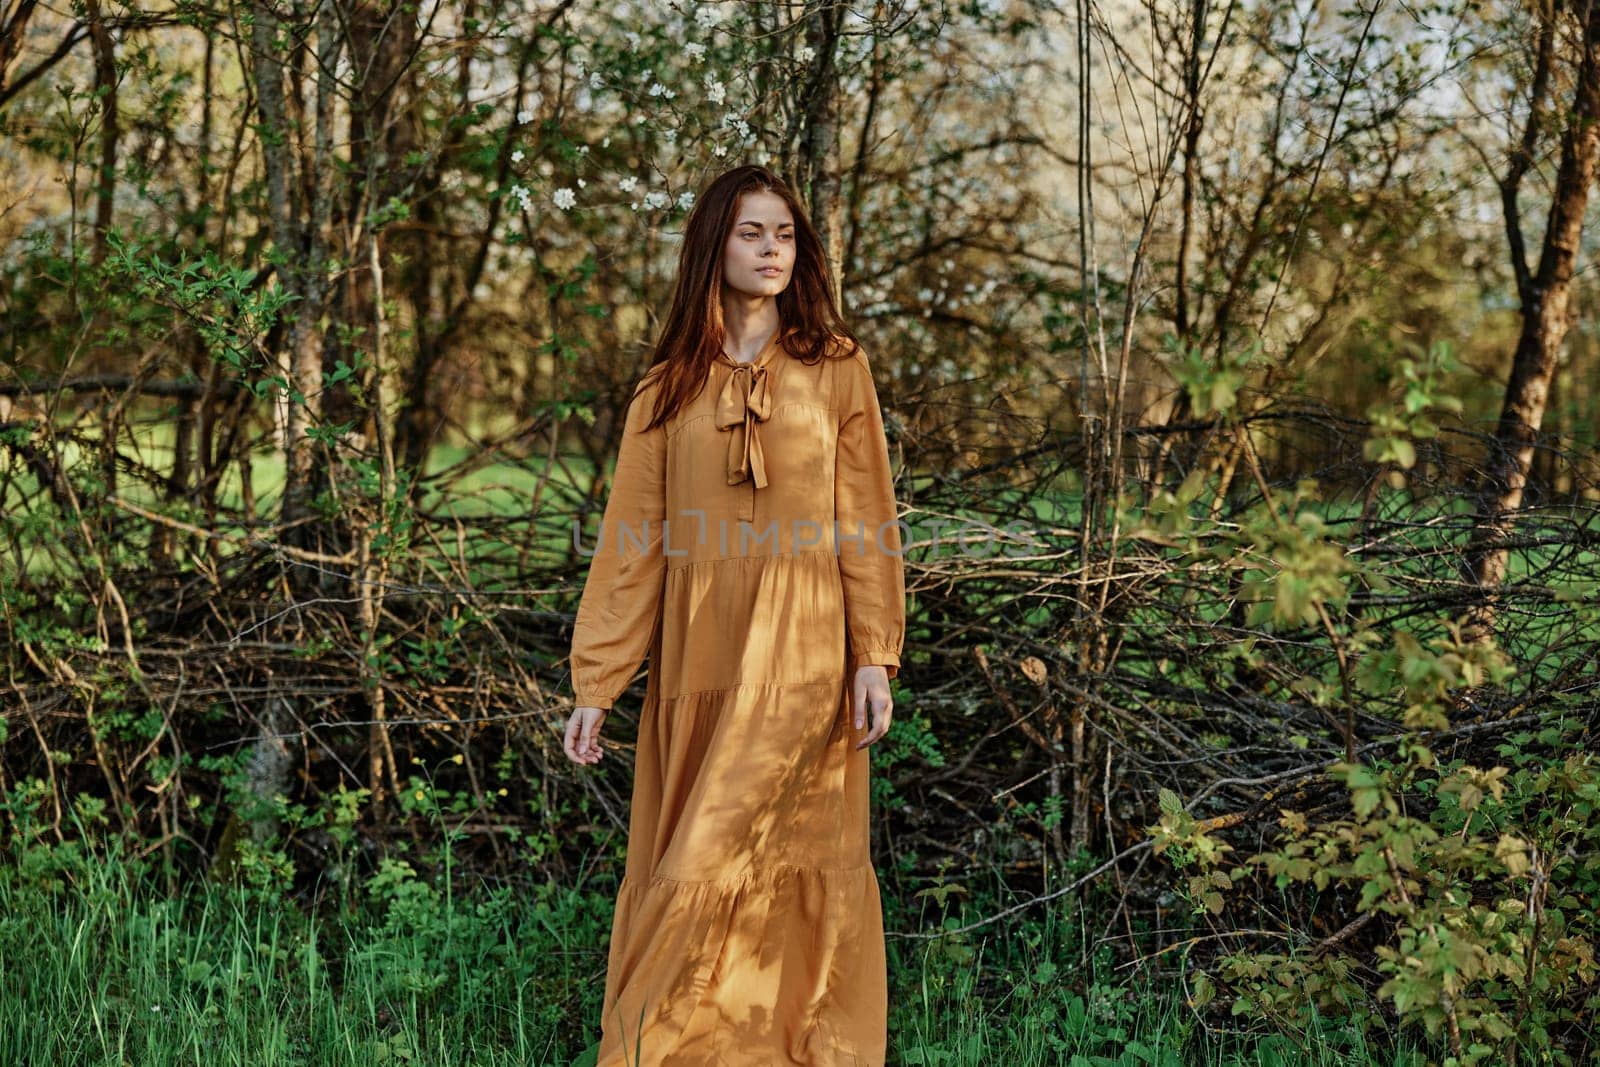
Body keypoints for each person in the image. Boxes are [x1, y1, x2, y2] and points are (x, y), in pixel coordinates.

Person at [562, 164, 906, 1065]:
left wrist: (874, 652)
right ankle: (665, 1049)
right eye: (752, 233)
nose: (770, 251)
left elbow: (867, 518)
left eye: (784, 235)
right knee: (695, 852)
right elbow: (632, 542)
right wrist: (597, 682)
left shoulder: (836, 369)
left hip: (805, 657)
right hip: (699, 655)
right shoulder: (666, 387)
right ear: (714, 246)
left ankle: (795, 1046)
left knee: (774, 848)